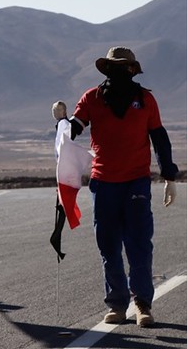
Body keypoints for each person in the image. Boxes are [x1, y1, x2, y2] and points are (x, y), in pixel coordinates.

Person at [68, 46, 178, 327]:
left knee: (139, 244)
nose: (120, 72)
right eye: (114, 67)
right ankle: (117, 304)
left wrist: (169, 177)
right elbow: (74, 128)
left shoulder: (145, 99)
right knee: (108, 246)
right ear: (108, 70)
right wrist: (62, 123)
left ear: (132, 70)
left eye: (124, 67)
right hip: (103, 183)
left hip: (136, 181)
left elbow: (159, 139)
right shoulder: (92, 98)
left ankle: (142, 304)